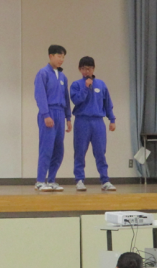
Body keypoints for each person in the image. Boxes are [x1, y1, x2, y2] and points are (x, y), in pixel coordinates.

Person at [70, 56, 117, 191]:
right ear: (79, 69)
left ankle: (105, 180)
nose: (86, 71)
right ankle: (79, 180)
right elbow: (76, 100)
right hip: (82, 121)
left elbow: (107, 103)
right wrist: (85, 88)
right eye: (83, 69)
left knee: (100, 152)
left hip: (98, 122)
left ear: (93, 69)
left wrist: (112, 120)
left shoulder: (101, 85)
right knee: (80, 151)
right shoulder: (76, 85)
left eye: (89, 69)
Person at [34, 45, 72, 191]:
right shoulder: (43, 73)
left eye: (63, 57)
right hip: (49, 112)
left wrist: (68, 118)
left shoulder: (63, 77)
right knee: (47, 148)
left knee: (58, 149)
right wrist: (46, 114)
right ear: (51, 56)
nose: (61, 59)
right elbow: (40, 95)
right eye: (59, 56)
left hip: (60, 113)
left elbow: (66, 98)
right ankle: (40, 181)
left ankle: (51, 180)